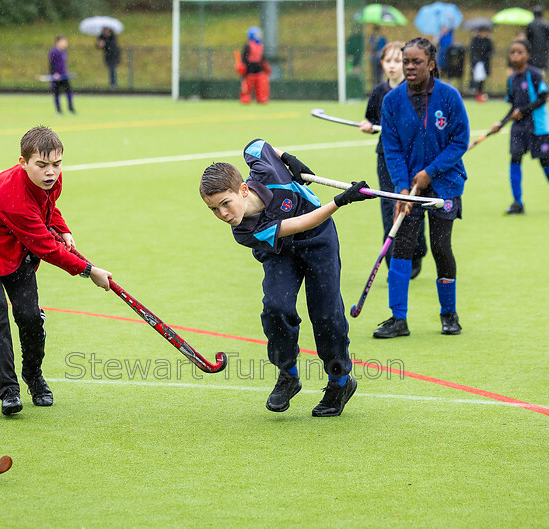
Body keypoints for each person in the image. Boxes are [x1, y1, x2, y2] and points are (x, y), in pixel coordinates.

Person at [199, 140, 373, 416]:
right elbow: (300, 223)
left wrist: (287, 157)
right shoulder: (244, 232)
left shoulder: (269, 172)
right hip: (281, 251)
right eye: (214, 210)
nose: (223, 215)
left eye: (225, 204)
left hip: (319, 242)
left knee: (326, 314)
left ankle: (339, 382)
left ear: (243, 189)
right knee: (276, 308)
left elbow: (255, 145)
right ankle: (288, 375)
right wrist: (340, 200)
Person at [0, 126, 112, 415]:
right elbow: (45, 248)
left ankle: (34, 377)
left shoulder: (51, 180)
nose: (51, 172)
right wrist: (89, 270)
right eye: (41, 165)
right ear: (23, 162)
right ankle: (8, 391)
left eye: (57, 164)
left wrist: (63, 229)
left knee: (28, 315)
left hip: (16, 251)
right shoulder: (11, 197)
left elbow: (47, 208)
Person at [373, 37, 469, 339]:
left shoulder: (449, 97)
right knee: (403, 247)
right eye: (406, 61)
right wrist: (402, 188)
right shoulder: (391, 102)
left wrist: (430, 172)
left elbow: (460, 141)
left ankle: (448, 314)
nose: (410, 66)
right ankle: (398, 318)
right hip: (408, 188)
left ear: (431, 64)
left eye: (417, 61)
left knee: (441, 247)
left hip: (445, 185)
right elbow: (392, 149)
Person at [360, 41, 427, 278]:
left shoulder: (416, 90)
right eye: (388, 61)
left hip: (414, 157)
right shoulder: (379, 92)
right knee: (390, 205)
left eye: (398, 61)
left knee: (413, 205)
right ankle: (393, 258)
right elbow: (370, 119)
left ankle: (416, 251)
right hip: (386, 156)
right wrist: (368, 126)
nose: (393, 66)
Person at [491, 40, 549, 215]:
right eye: (512, 52)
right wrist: (501, 123)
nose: (515, 55)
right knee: (515, 158)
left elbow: (542, 98)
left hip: (537, 127)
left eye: (519, 52)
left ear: (528, 55)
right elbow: (513, 107)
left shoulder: (535, 75)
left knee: (544, 161)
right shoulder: (511, 80)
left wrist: (522, 111)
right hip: (518, 128)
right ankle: (518, 202)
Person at [239, 26, 271, 104]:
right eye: (257, 35)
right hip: (249, 71)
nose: (259, 36)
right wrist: (242, 66)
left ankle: (262, 98)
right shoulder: (248, 46)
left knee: (262, 85)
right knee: (247, 87)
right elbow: (244, 58)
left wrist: (266, 66)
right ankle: (245, 98)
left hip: (259, 71)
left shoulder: (261, 46)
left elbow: (263, 58)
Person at [48, 35, 74, 114]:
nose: (66, 43)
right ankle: (58, 110)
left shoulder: (64, 51)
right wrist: (54, 73)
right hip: (56, 76)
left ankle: (70, 108)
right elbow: (51, 64)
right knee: (56, 93)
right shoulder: (53, 51)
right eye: (64, 42)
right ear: (58, 42)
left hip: (64, 75)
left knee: (69, 92)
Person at [526, 5, 549, 75]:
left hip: (533, 52)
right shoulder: (546, 24)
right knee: (542, 72)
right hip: (543, 51)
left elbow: (528, 39)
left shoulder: (530, 25)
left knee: (533, 71)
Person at [469, 28, 494, 102]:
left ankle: (480, 94)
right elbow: (473, 52)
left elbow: (490, 51)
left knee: (482, 79)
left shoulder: (488, 41)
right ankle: (478, 94)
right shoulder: (475, 40)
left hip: (484, 63)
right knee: (477, 79)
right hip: (477, 63)